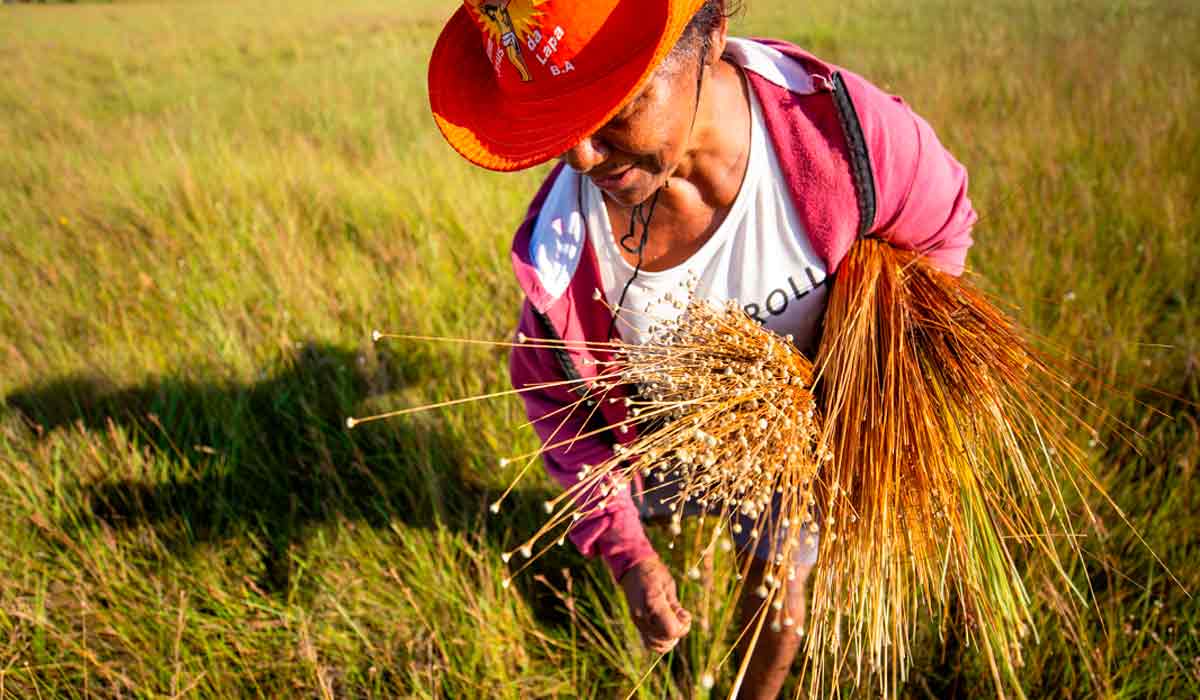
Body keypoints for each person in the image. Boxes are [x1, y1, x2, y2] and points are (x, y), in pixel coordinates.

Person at [428, 1, 976, 697]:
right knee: (659, 530)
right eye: (560, 118)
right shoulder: (566, 263)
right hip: (660, 441)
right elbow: (570, 428)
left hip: (802, 440)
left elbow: (941, 230)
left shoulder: (844, 140)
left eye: (615, 106)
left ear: (710, 35)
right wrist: (630, 560)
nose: (579, 155)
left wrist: (876, 383)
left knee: (779, 590)